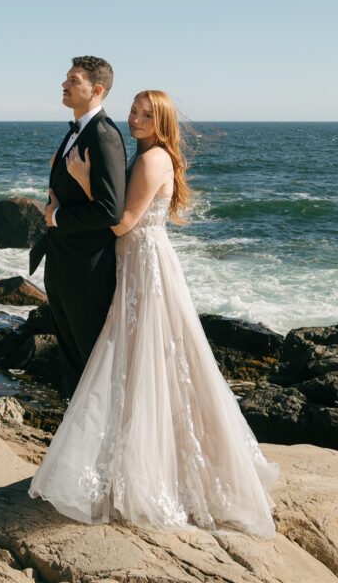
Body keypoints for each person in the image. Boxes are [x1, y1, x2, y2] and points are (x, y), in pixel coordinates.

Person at [28, 90, 278, 537]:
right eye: (135, 111)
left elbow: (122, 222)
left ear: (162, 121)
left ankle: (154, 472)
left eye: (147, 114)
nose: (136, 119)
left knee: (143, 362)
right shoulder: (147, 154)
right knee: (144, 364)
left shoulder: (150, 160)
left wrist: (83, 185)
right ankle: (142, 462)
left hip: (144, 263)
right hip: (137, 262)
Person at [28, 56, 127, 398]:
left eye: (73, 79)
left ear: (96, 89)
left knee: (92, 360)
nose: (64, 84)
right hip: (64, 264)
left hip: (87, 270)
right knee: (72, 360)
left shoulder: (104, 136)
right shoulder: (76, 132)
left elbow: (110, 210)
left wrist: (55, 218)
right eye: (66, 78)